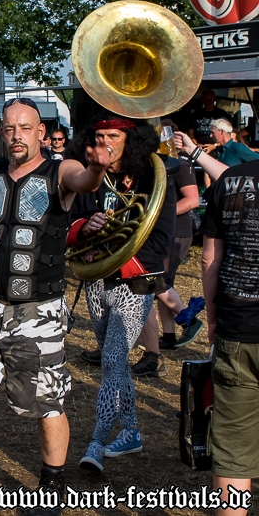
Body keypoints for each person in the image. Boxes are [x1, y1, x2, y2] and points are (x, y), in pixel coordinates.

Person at [0, 97, 112, 516]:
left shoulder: (58, 171)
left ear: (41, 133)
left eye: (25, 128)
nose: (16, 136)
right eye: (9, 129)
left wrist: (98, 167)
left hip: (38, 310)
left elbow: (84, 180)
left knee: (44, 401)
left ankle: (52, 488)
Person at [67, 112, 176, 474]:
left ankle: (96, 442)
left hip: (133, 283)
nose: (105, 144)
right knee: (115, 364)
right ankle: (130, 431)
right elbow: (70, 222)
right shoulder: (88, 177)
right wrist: (85, 230)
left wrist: (119, 256)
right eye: (98, 137)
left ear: (130, 139)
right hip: (96, 282)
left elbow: (160, 241)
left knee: (113, 361)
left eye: (113, 136)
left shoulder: (152, 177)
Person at [200, 157, 259, 516]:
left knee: (234, 455)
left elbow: (210, 258)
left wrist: (211, 319)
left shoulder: (231, 180)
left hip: (237, 328)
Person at [131, 123, 202, 376]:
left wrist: (157, 214)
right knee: (162, 282)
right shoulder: (158, 164)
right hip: (168, 231)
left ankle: (188, 319)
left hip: (176, 232)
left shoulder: (179, 165)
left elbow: (193, 200)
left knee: (155, 282)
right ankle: (169, 335)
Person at [187, 89, 231, 153]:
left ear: (215, 99)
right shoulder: (196, 114)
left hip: (217, 149)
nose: (209, 101)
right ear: (203, 100)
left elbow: (228, 134)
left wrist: (215, 145)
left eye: (211, 98)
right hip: (199, 149)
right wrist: (196, 145)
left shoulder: (222, 114)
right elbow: (190, 133)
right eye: (206, 99)